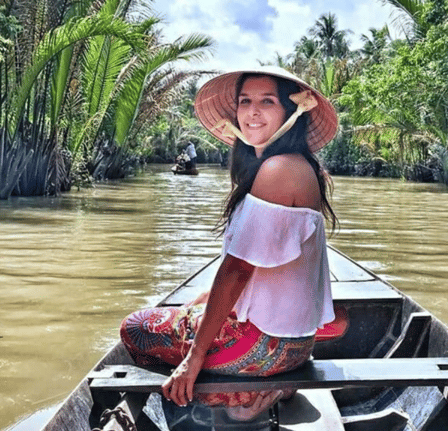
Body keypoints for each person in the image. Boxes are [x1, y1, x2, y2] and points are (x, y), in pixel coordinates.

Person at [120, 66, 339, 419]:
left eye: (267, 101)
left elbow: (237, 270)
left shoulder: (278, 170)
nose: (252, 112)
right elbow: (252, 266)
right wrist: (205, 302)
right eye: (245, 101)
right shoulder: (296, 165)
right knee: (189, 311)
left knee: (136, 328)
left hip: (266, 347)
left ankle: (242, 398)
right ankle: (268, 386)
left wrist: (193, 359)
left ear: (291, 111)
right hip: (296, 346)